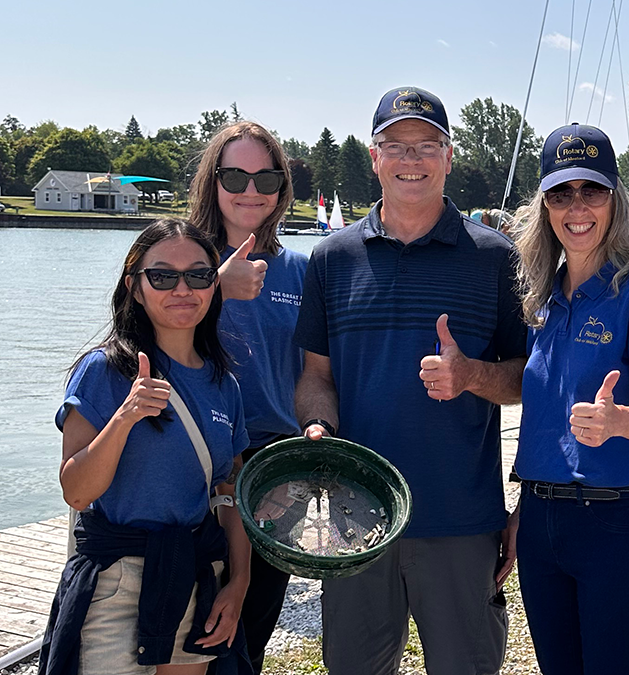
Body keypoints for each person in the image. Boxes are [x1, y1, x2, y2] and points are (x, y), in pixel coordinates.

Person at [292, 86, 526, 675]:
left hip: (460, 521)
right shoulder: (332, 258)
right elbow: (315, 376)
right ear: (375, 158)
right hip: (355, 519)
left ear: (448, 156)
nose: (411, 160)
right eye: (396, 146)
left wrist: (469, 374)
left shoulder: (497, 258)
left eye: (427, 145)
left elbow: (530, 381)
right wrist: (317, 424)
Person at [41, 218, 252, 675]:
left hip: (197, 575)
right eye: (162, 276)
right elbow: (77, 492)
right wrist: (126, 416)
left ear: (214, 285)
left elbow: (228, 495)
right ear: (135, 287)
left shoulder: (225, 385)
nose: (182, 288)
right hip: (116, 582)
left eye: (199, 275)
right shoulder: (103, 371)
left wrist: (237, 584)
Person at [510, 122, 629, 674]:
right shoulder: (539, 296)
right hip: (540, 522)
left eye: (592, 190)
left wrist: (618, 421)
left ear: (615, 200)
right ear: (544, 206)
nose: (576, 207)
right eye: (560, 193)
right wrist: (523, 512)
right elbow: (541, 417)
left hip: (617, 525)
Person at [188, 121, 308, 673]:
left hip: (274, 464)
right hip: (192, 458)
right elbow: (130, 338)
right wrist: (212, 285)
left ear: (283, 187)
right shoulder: (180, 259)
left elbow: (317, 373)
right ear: (212, 182)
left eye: (267, 176)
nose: (251, 188)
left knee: (253, 619)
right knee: (184, 621)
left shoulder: (302, 270)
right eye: (235, 174)